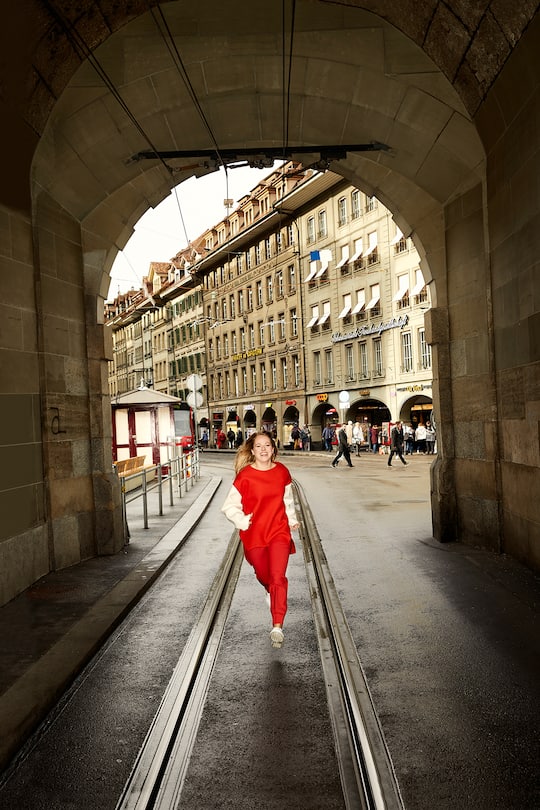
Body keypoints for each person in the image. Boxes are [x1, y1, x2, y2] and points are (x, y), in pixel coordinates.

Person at [221, 431, 299, 649]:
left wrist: (291, 519)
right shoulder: (245, 476)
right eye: (259, 446)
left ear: (273, 449)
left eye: (267, 445)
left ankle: (277, 624)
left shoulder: (282, 471)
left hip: (279, 532)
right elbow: (229, 506)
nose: (264, 449)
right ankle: (270, 591)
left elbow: (287, 499)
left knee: (277, 576)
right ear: (252, 451)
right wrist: (243, 521)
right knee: (264, 575)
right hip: (254, 533)